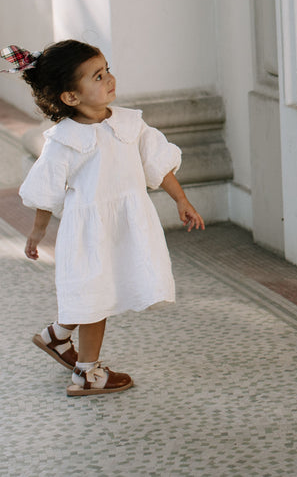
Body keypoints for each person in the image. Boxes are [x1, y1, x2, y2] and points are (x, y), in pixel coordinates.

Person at [1, 39, 204, 396]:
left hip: (125, 226)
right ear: (70, 97)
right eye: (97, 76)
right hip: (89, 233)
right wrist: (36, 234)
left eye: (107, 69)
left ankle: (56, 337)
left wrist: (181, 199)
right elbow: (46, 190)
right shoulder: (64, 140)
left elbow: (155, 162)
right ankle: (86, 375)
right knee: (96, 300)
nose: (109, 78)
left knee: (96, 291)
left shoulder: (129, 123)